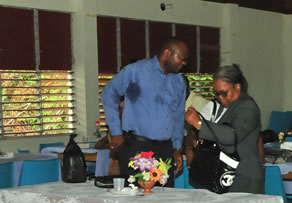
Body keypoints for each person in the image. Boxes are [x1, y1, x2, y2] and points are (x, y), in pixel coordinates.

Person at [101, 38, 188, 186]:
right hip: (137, 148)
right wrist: (116, 132)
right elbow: (109, 94)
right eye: (182, 58)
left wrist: (177, 148)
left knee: (165, 202)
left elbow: (179, 116)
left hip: (165, 151)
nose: (184, 63)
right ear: (167, 53)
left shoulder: (179, 82)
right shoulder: (135, 71)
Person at [184, 64, 263, 194]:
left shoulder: (247, 107)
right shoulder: (227, 106)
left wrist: (199, 123)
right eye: (217, 94)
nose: (220, 98)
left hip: (244, 179)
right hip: (224, 175)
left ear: (237, 87)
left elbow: (233, 136)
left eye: (224, 93)